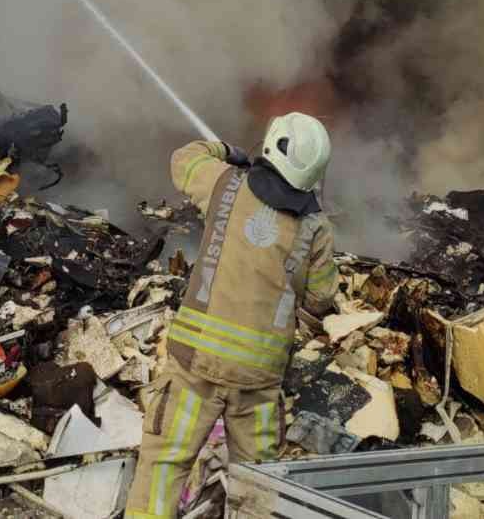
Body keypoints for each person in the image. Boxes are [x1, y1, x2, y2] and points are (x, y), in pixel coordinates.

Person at [125, 112, 338, 519]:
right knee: (258, 484)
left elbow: (183, 159)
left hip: (195, 369)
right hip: (259, 380)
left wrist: (229, 152)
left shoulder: (225, 185)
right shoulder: (316, 226)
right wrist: (294, 332)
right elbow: (322, 296)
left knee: (165, 466)